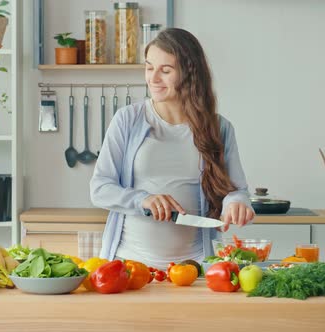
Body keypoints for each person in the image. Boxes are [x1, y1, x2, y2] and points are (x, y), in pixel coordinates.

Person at [90, 28, 254, 270]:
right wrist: (143, 199)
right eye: (149, 67)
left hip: (195, 268)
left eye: (165, 71)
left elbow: (237, 190)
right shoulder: (127, 119)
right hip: (129, 265)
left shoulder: (219, 128)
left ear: (190, 74)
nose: (153, 78)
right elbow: (100, 188)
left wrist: (236, 203)